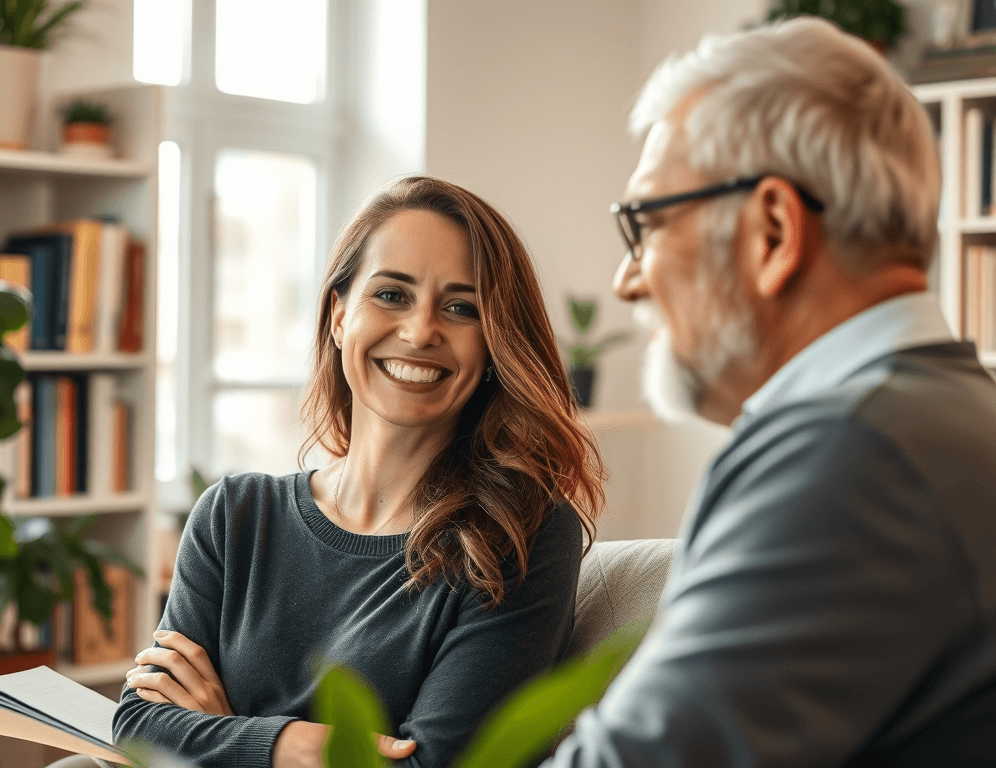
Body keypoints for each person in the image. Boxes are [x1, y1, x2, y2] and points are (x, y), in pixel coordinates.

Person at [545, 16, 996, 768]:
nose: (627, 281)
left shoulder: (850, 455)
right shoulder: (946, 415)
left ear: (774, 232)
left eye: (646, 226)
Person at [113, 176, 605, 768]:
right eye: (392, 295)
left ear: (495, 343)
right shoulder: (234, 516)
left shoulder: (519, 533)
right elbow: (140, 722)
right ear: (339, 315)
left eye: (460, 307)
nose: (421, 331)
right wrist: (284, 746)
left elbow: (434, 767)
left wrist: (226, 734)